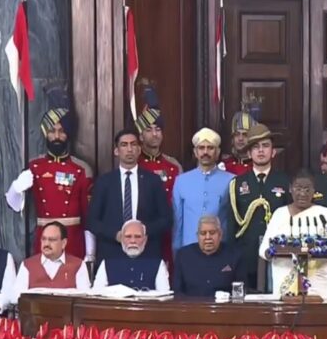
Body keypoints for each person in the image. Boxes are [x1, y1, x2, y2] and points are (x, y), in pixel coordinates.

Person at [5, 84, 94, 260]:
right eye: (52, 131)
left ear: (68, 134)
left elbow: (88, 217)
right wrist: (15, 188)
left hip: (73, 240)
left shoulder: (82, 169)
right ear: (46, 133)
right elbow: (14, 206)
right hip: (43, 239)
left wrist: (90, 252)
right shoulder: (34, 167)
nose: (56, 136)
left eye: (61, 131)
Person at [260, 169, 327, 299]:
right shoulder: (280, 214)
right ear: (290, 189)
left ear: (314, 191)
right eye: (298, 188)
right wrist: (280, 250)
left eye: (307, 189)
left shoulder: (325, 215)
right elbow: (264, 250)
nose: (302, 193)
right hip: (286, 279)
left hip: (318, 281)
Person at [87, 129, 172, 263]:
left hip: (147, 253)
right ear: (116, 151)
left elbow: (166, 219)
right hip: (112, 253)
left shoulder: (153, 181)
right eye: (124, 145)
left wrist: (142, 231)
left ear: (139, 149)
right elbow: (92, 221)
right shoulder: (104, 182)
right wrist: (117, 235)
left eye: (133, 144)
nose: (129, 149)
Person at [229, 123, 291, 291]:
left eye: (265, 146)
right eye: (256, 147)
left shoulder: (285, 182)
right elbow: (231, 225)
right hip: (246, 256)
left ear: (273, 151)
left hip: (277, 255)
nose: (261, 151)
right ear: (249, 153)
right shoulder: (237, 183)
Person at [135, 82, 183, 266]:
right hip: (139, 231)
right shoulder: (136, 165)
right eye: (149, 130)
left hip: (167, 232)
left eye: (158, 129)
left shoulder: (173, 166)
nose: (154, 134)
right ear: (140, 135)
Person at [172, 128, 234, 253]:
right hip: (189, 248)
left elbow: (232, 220)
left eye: (210, 148)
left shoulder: (231, 180)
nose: (205, 152)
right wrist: (176, 250)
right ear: (195, 152)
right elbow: (177, 221)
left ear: (217, 152)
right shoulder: (181, 181)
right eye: (201, 148)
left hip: (220, 249)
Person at [12, 221, 91, 302]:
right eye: (44, 239)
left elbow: (85, 300)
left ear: (64, 243)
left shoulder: (78, 265)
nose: (46, 243)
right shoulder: (27, 265)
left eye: (52, 240)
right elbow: (15, 298)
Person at [174, 215, 246, 297]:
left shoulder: (234, 256)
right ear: (197, 236)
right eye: (203, 233)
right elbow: (177, 292)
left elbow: (239, 294)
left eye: (212, 233)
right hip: (192, 307)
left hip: (224, 308)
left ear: (220, 234)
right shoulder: (183, 256)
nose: (208, 237)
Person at [92, 220, 170, 291]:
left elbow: (164, 296)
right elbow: (97, 294)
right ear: (121, 238)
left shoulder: (157, 264)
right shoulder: (107, 263)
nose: (133, 241)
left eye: (138, 236)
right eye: (128, 236)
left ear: (145, 239)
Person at [219, 105, 258, 175]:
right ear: (232, 139)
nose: (240, 138)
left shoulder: (258, 165)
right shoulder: (224, 166)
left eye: (245, 135)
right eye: (237, 134)